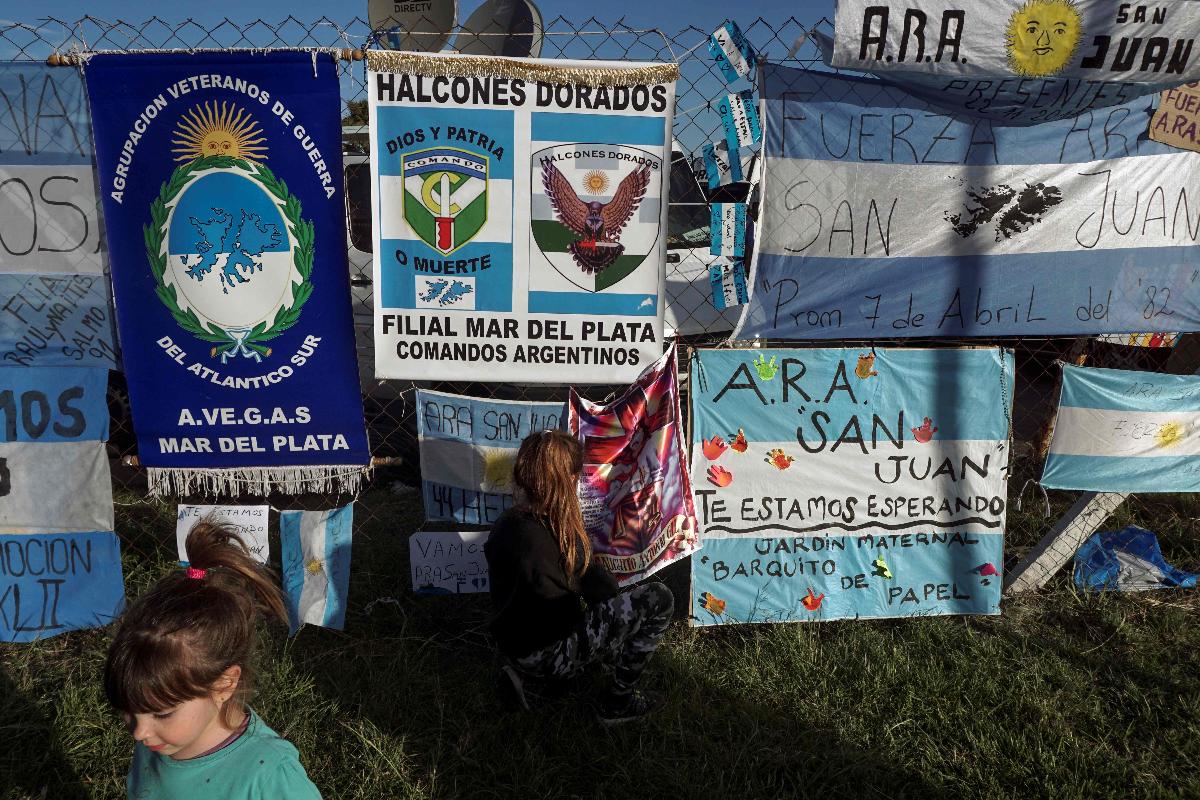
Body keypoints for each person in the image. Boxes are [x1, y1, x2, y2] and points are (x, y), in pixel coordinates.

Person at [103, 521, 321, 799]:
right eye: (129, 710)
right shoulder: (159, 737)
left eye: (162, 713)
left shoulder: (268, 775)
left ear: (224, 684)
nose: (139, 731)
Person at [485, 429, 675, 725]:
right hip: (548, 653)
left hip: (512, 648)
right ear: (571, 480)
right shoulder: (564, 537)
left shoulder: (504, 526)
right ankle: (618, 703)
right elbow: (606, 594)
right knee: (657, 599)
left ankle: (530, 681)